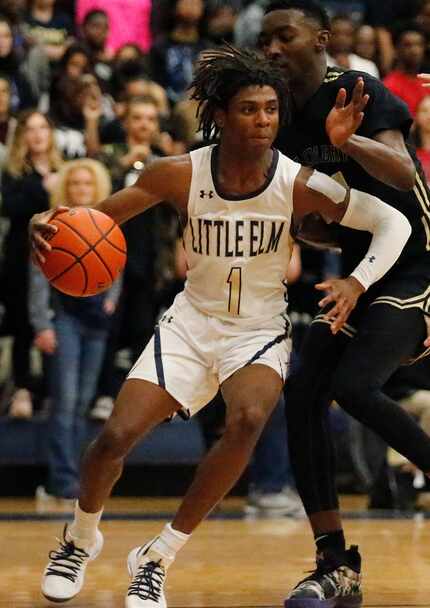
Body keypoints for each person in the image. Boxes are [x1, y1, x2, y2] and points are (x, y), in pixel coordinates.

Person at [30, 46, 411, 607]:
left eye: (271, 110)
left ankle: (157, 557)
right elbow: (92, 223)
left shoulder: (301, 182)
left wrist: (357, 281)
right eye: (249, 110)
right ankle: (80, 540)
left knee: (250, 419)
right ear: (221, 114)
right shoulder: (178, 173)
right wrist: (50, 223)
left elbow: (392, 221)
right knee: (113, 438)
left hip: (257, 329)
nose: (263, 122)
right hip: (189, 323)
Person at [257, 1, 430, 606]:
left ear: (322, 39)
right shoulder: (277, 116)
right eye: (266, 39)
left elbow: (403, 173)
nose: (273, 47)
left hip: (416, 260)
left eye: (287, 36)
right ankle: (335, 561)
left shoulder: (357, 90)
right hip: (362, 267)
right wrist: (306, 228)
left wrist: (349, 140)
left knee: (355, 387)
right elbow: (333, 220)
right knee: (303, 391)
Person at [30, 158, 121, 500]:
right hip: (63, 319)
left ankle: (78, 478)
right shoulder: (51, 224)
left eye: (87, 183)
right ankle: (61, 480)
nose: (81, 189)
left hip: (96, 320)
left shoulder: (105, 222)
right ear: (65, 187)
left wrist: (111, 298)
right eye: (75, 183)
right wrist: (42, 324)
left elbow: (116, 264)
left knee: (82, 403)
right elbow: (37, 277)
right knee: (65, 401)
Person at [1, 110, 63, 418]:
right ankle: (22, 388)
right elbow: (11, 208)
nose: (37, 134)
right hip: (19, 254)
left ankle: (54, 390)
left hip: (60, 253)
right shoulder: (13, 172)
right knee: (24, 321)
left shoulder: (63, 168)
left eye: (43, 127)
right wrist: (44, 188)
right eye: (30, 128)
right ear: (21, 135)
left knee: (57, 320)